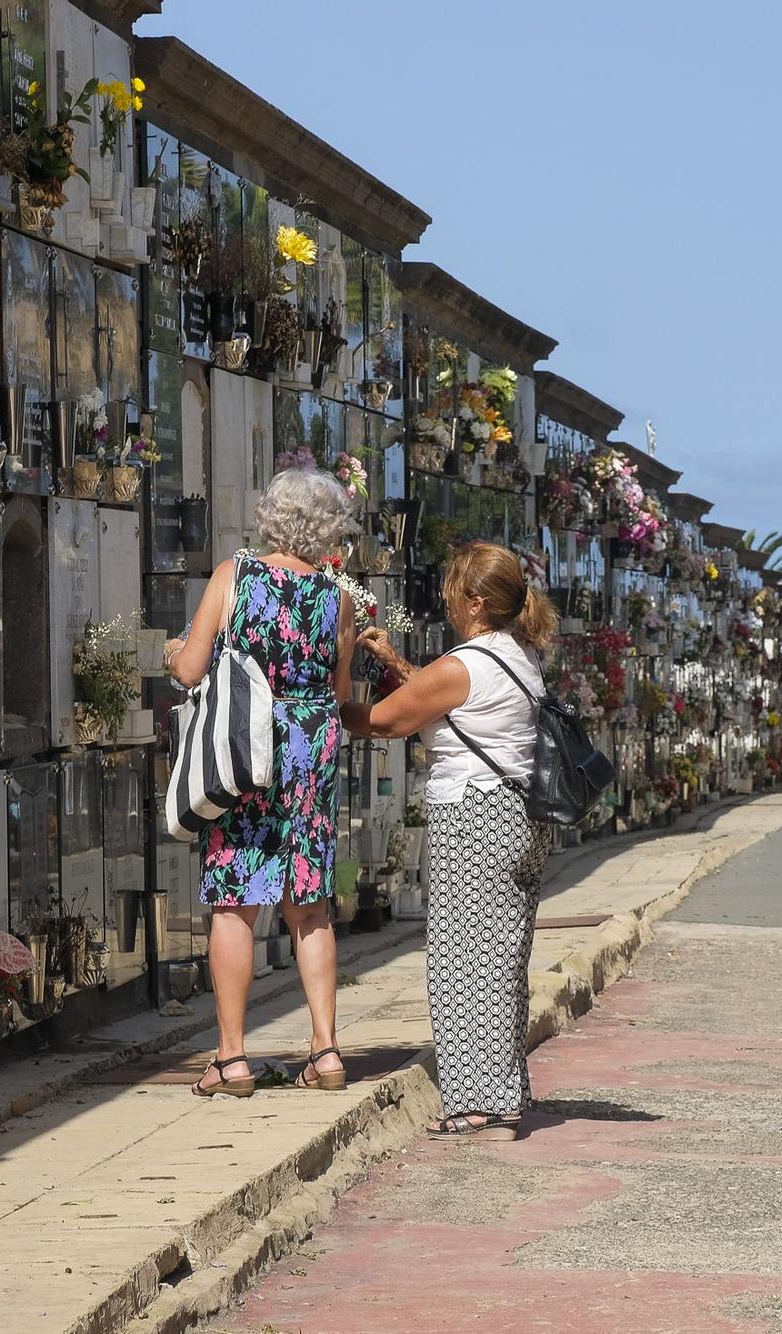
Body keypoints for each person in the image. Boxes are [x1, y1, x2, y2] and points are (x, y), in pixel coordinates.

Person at [346, 543, 557, 1140]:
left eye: (450, 585)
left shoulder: (463, 663)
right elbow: (450, 699)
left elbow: (385, 721)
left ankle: (474, 1105)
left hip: (474, 817)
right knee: (503, 957)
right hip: (520, 816)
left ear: (474, 602)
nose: (442, 594)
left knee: (463, 960)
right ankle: (506, 1093)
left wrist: (333, 697)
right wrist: (395, 663)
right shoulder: (516, 656)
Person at [163, 467, 357, 1098]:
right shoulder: (339, 598)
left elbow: (192, 669)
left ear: (270, 515)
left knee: (235, 901)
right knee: (310, 903)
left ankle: (230, 1058)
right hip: (310, 752)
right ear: (328, 530)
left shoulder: (234, 576)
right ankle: (326, 1051)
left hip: (245, 751)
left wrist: (172, 653)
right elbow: (339, 692)